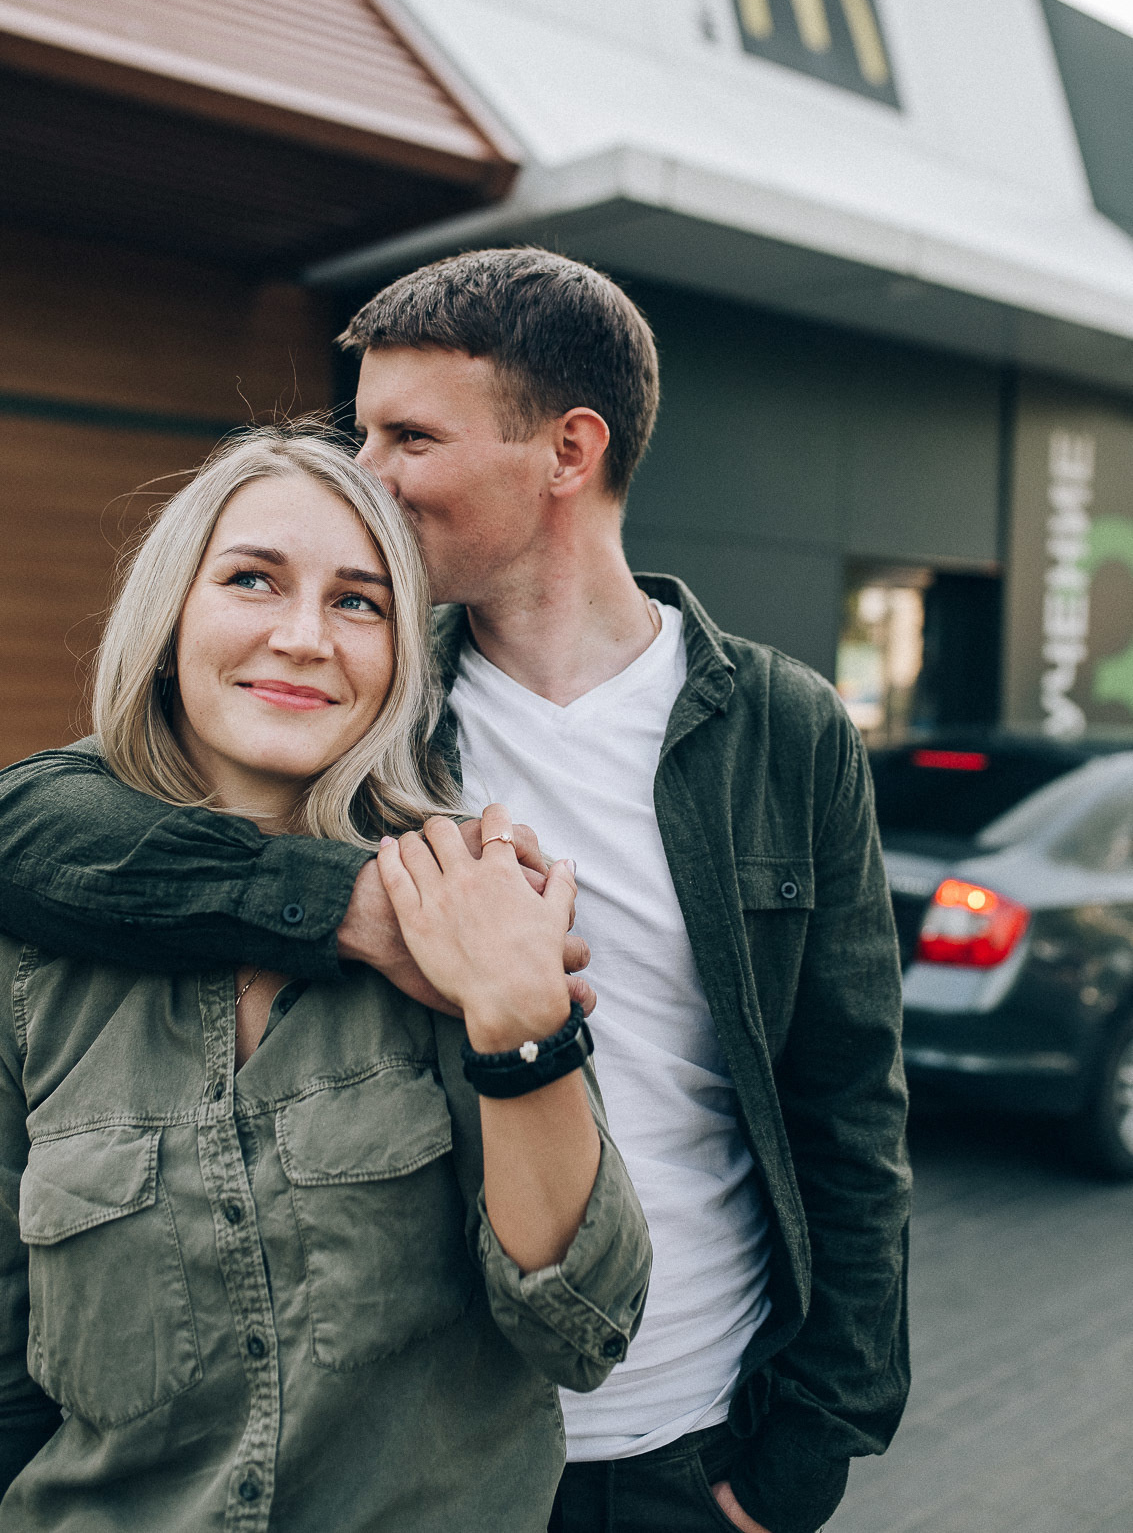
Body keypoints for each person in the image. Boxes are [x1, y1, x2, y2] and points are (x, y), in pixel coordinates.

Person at [0, 248, 910, 1533]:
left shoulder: (781, 724)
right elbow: (37, 830)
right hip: (421, 1447)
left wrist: (808, 1447)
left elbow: (848, 1097)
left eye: (406, 435)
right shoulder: (360, 693)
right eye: (359, 430)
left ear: (567, 449)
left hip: (688, 1426)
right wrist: (353, 906)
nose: (361, 475)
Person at [0, 426, 650, 1531]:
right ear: (170, 622)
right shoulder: (34, 952)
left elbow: (580, 1323)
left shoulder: (464, 894)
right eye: (253, 579)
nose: (302, 637)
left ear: (400, 654)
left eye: (359, 601)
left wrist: (516, 1012)